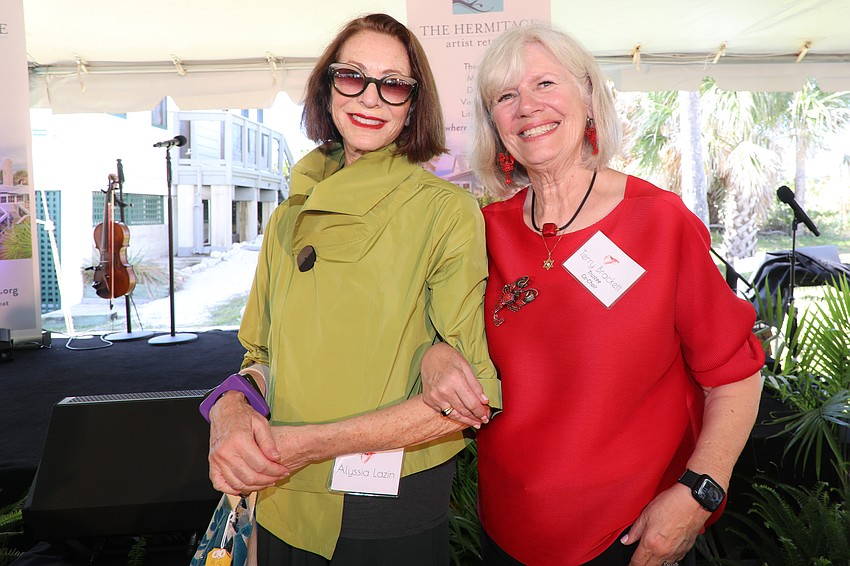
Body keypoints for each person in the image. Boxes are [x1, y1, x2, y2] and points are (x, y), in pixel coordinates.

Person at [421, 22, 765, 566]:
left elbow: (736, 373)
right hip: (507, 533)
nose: (527, 107)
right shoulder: (483, 232)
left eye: (545, 85)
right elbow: (439, 333)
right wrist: (435, 352)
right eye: (505, 96)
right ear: (494, 125)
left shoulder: (660, 223)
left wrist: (701, 492)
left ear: (587, 96)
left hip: (632, 536)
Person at [203, 13, 500, 566]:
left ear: (413, 105)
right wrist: (229, 408)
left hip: (380, 508)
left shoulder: (444, 211)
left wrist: (304, 445)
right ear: (327, 87)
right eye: (352, 76)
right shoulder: (290, 215)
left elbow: (467, 400)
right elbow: (261, 355)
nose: (370, 97)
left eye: (392, 84)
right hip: (280, 493)